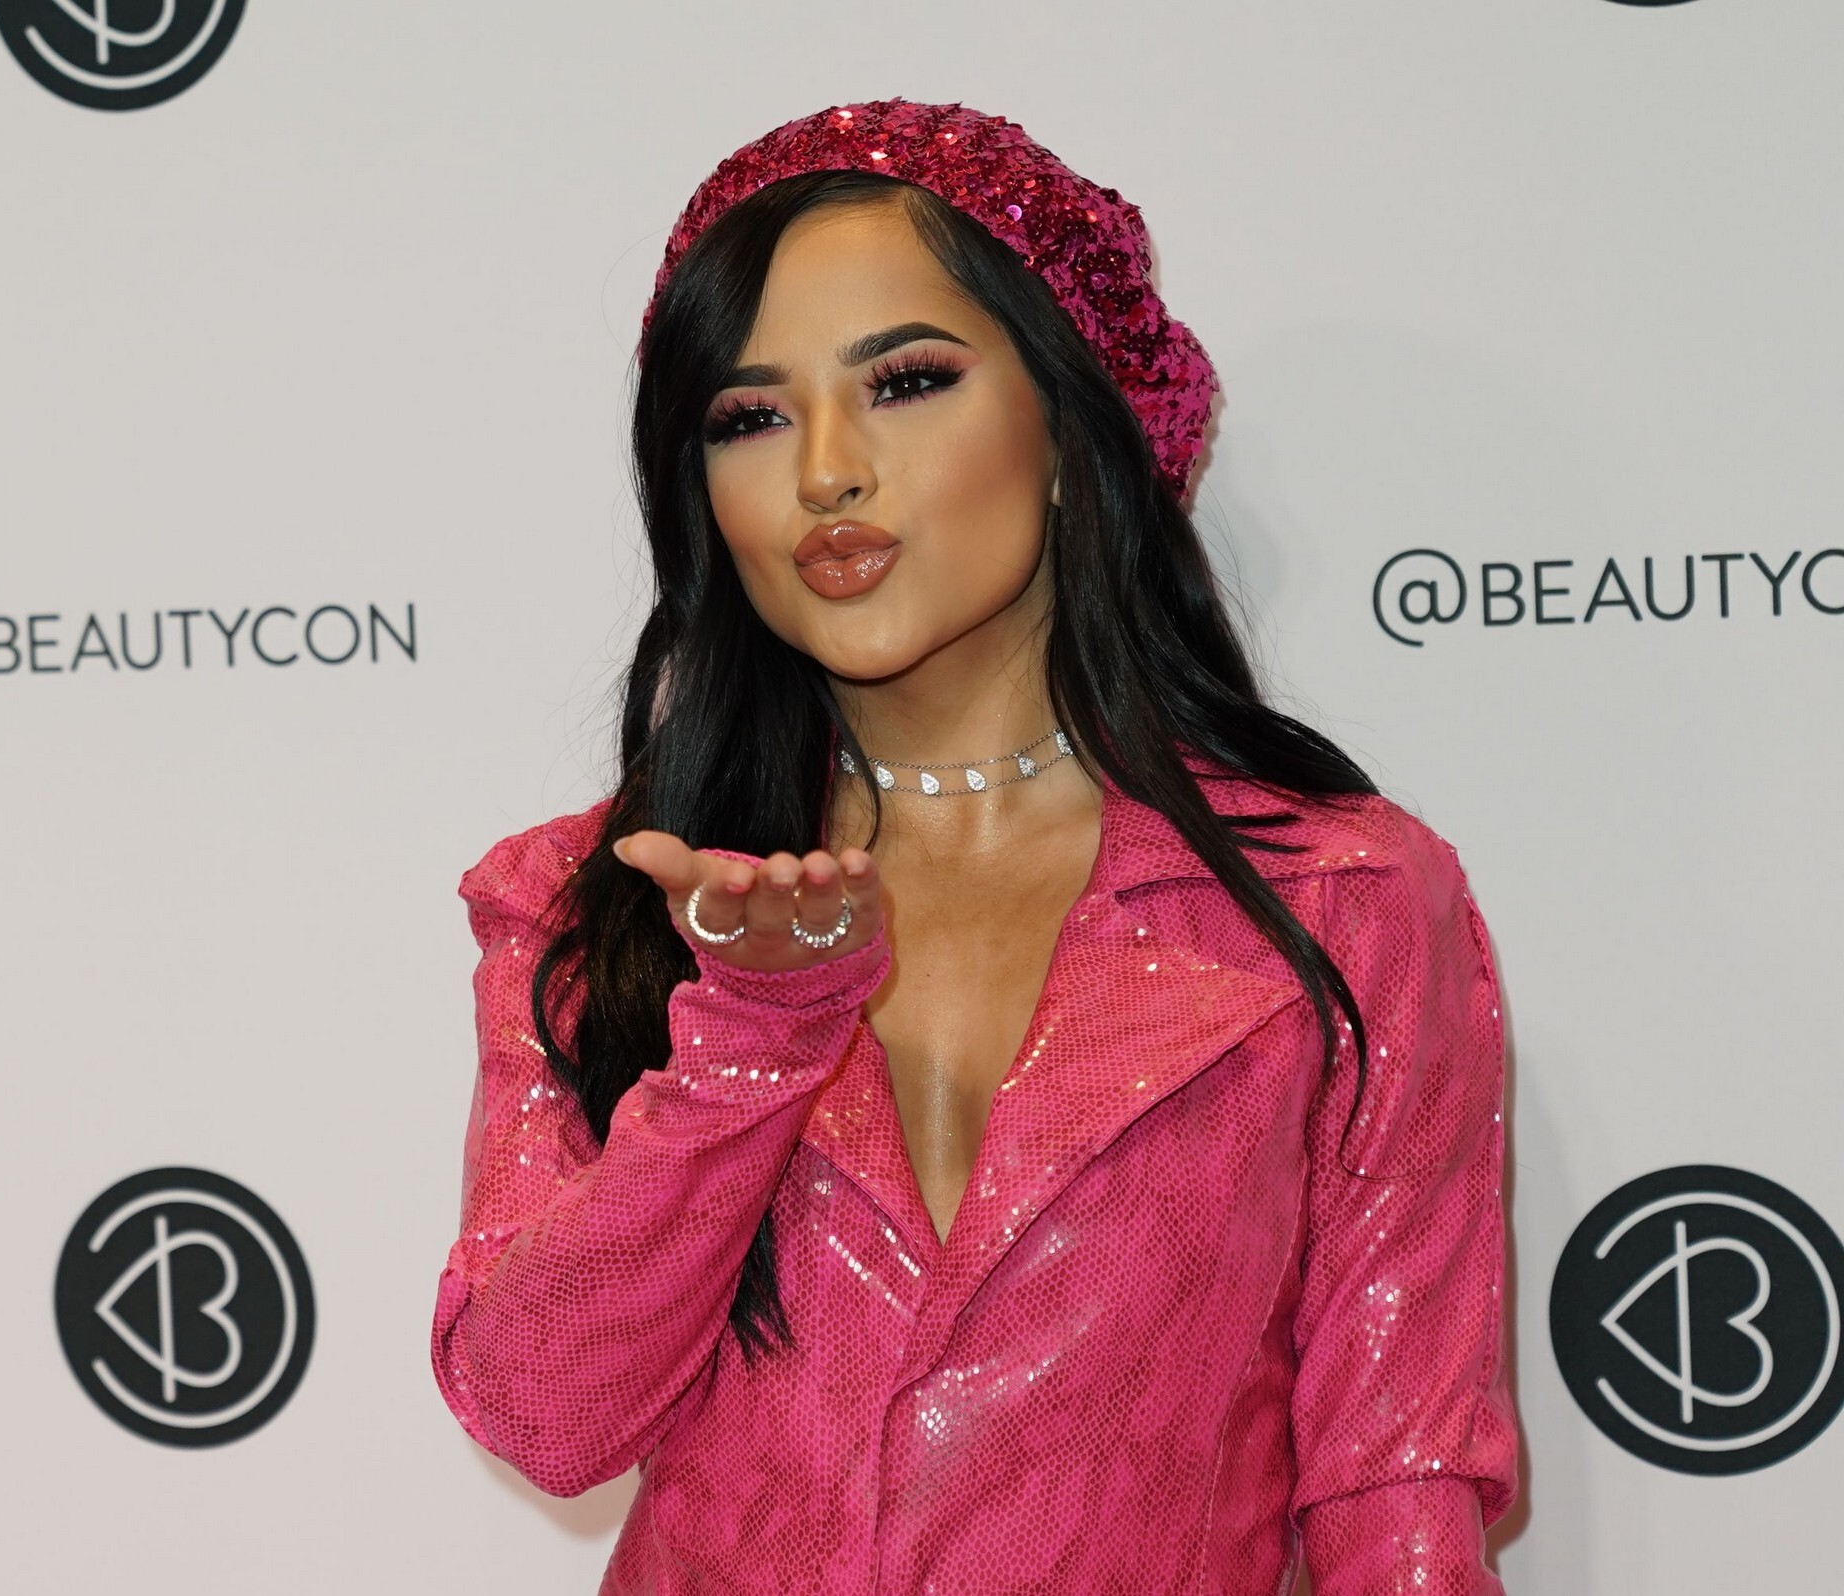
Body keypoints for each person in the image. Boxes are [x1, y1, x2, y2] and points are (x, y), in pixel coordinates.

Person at [431, 101, 1517, 1594]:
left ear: (1071, 426)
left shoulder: (1339, 901)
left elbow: (1396, 1482)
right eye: (750, 417)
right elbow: (541, 1413)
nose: (826, 471)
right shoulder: (595, 903)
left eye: (906, 383)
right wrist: (749, 1038)